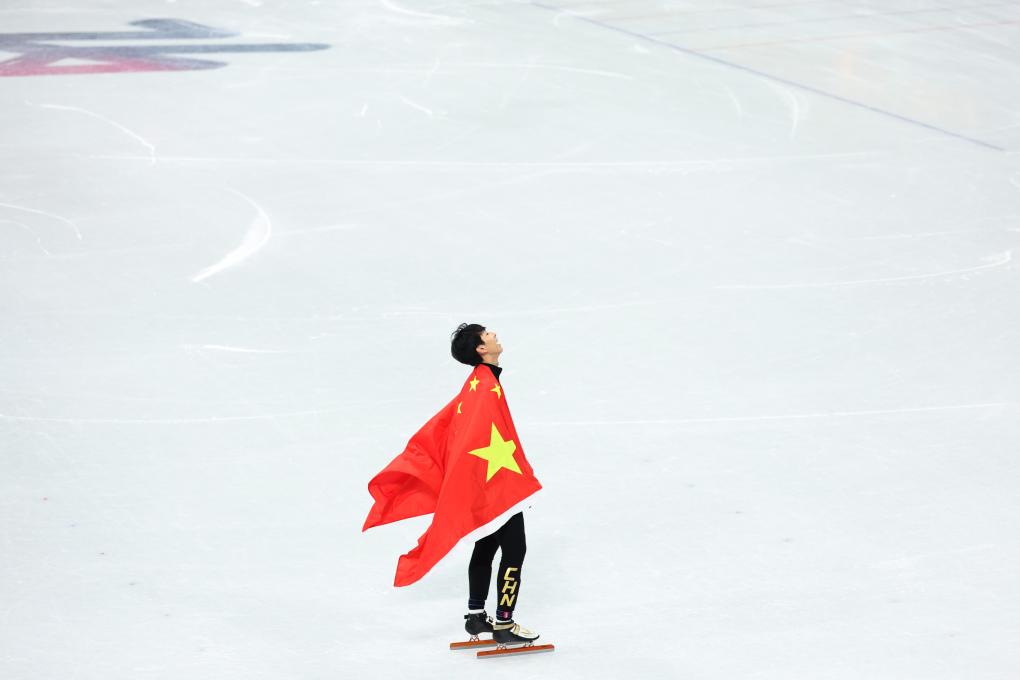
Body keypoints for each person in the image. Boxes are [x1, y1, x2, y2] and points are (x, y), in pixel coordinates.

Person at [449, 323, 540, 645]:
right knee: (514, 550)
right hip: (495, 482)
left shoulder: (479, 381)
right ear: (481, 349)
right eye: (486, 334)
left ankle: (476, 617)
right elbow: (484, 436)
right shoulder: (485, 384)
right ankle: (504, 622)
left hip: (482, 479)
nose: (493, 334)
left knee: (486, 545)